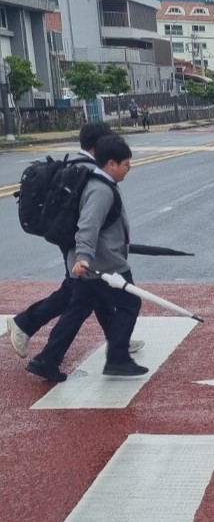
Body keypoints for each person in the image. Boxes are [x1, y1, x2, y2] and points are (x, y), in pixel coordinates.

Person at [7, 122, 144, 360]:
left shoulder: (77, 165)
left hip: (76, 243)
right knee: (76, 293)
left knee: (95, 293)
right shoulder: (89, 171)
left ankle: (117, 340)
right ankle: (26, 324)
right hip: (80, 246)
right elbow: (89, 221)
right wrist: (84, 254)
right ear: (95, 148)